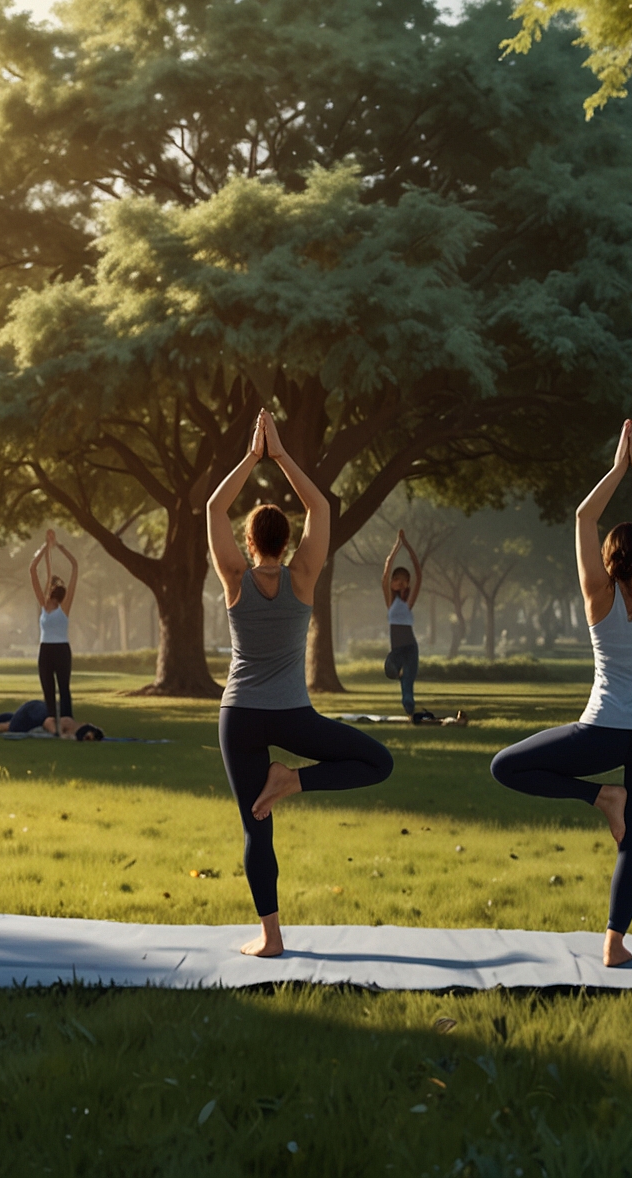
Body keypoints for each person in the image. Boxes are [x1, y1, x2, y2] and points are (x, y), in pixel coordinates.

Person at [489, 419, 632, 969]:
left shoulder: (595, 593)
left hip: (600, 733)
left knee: (506, 766)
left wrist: (617, 468)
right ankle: (614, 944)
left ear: (606, 560)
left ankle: (600, 797)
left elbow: (583, 516)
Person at [210, 409, 394, 957]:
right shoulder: (305, 574)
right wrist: (281, 453)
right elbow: (321, 505)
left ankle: (271, 938)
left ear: (249, 539)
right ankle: (294, 781)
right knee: (377, 762)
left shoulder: (235, 577)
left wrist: (251, 455)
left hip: (240, 715)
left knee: (255, 829)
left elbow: (214, 506)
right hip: (292, 714)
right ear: (289, 538)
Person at [30, 530, 78, 736]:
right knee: (48, 690)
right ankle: (52, 727)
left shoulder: (64, 607)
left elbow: (75, 566)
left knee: (64, 690)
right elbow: (33, 570)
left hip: (61, 650)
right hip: (45, 650)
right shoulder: (42, 605)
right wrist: (45, 547)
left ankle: (67, 725)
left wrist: (58, 546)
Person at [381, 530, 424, 716]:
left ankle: (409, 709)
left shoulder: (408, 602)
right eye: (395, 580)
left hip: (410, 648)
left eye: (402, 580)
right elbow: (386, 571)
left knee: (408, 683)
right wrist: (397, 546)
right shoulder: (390, 602)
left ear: (407, 583)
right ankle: (399, 676)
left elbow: (418, 573)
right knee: (390, 670)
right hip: (397, 650)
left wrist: (407, 545)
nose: (398, 583)